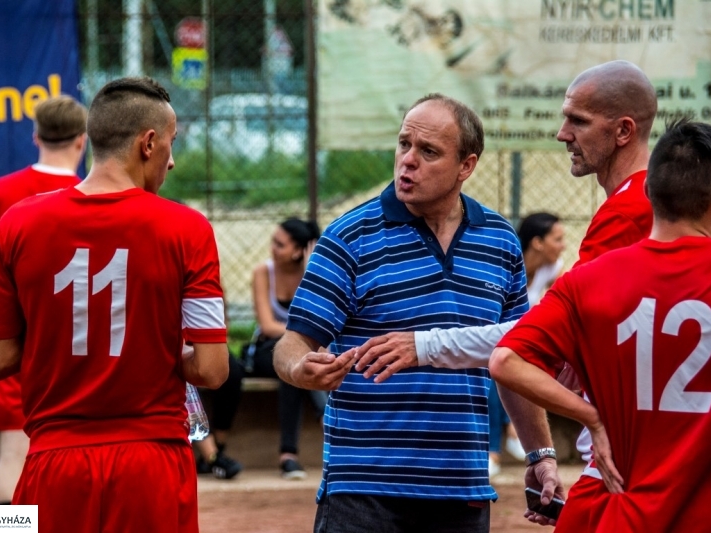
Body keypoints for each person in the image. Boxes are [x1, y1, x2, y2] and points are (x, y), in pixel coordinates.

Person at [352, 60, 656, 523]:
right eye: (404, 144)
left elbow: (537, 340)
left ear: (623, 131)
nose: (562, 134)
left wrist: (424, 345)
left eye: (578, 121)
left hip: (628, 452)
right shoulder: (638, 203)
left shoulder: (629, 209)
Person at [274, 93, 561, 532]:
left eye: (428, 152)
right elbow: (292, 343)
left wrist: (540, 454)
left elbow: (515, 357)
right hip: (363, 488)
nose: (408, 161)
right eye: (404, 144)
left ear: (466, 165)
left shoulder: (500, 241)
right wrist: (301, 368)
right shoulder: (349, 235)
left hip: (461, 488)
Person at [0, 77, 229, 533]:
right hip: (152, 463)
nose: (172, 160)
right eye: (172, 143)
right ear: (148, 143)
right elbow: (212, 370)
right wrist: (153, 350)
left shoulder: (17, 222)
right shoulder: (188, 229)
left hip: (55, 461)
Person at [490, 119, 711, 532]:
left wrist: (593, 418)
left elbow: (505, 361)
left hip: (612, 504)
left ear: (649, 190)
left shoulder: (588, 280)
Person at [0, 95, 87, 503]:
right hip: (82, 341)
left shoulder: (3, 191)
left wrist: (14, 315)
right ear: (82, 140)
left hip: (20, 341)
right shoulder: (93, 193)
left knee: (14, 453)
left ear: (36, 136)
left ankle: (11, 526)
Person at [244, 217, 328, 479]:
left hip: (304, 351)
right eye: (274, 241)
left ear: (297, 251)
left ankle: (289, 457)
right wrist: (298, 337)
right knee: (291, 362)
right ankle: (325, 422)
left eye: (280, 245)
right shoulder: (263, 272)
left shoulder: (311, 274)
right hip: (265, 350)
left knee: (297, 364)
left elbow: (321, 319)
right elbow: (268, 325)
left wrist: (312, 273)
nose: (273, 248)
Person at [488, 212, 565, 476]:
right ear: (538, 243)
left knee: (518, 362)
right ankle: (497, 447)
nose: (563, 246)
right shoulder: (507, 265)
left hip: (521, 341)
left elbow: (561, 304)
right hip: (495, 337)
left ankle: (512, 433)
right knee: (496, 367)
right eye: (557, 239)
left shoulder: (552, 268)